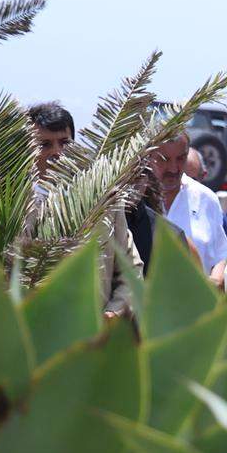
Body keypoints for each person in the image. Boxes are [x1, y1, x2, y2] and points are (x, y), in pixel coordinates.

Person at [26, 102, 142, 316]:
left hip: (96, 339)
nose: (57, 152)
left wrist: (114, 313)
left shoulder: (104, 200)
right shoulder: (15, 208)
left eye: (64, 143)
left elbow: (131, 269)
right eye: (45, 144)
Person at [150, 135, 227, 280]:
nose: (173, 168)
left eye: (180, 159)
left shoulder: (206, 198)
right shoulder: (134, 200)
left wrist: (217, 281)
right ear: (149, 157)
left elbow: (221, 254)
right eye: (164, 159)